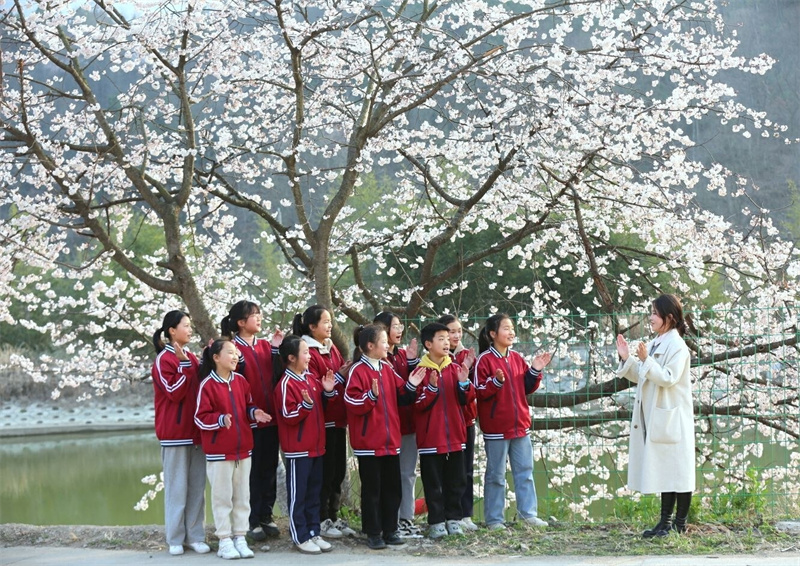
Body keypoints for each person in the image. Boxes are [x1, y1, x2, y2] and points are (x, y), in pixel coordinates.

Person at [615, 294, 695, 537]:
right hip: (659, 415)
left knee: (679, 470)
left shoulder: (677, 346)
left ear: (668, 318)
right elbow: (643, 373)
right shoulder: (658, 341)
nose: (650, 318)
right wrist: (626, 358)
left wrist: (646, 361)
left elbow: (668, 377)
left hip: (672, 416)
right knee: (665, 469)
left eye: (654, 314)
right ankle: (664, 523)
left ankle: (679, 525)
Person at [344, 324, 425, 550]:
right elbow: (352, 402)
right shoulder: (358, 371)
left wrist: (412, 385)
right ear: (370, 346)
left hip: (391, 443)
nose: (388, 344)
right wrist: (370, 396)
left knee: (392, 488)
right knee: (372, 490)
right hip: (369, 443)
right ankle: (373, 532)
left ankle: (390, 529)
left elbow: (401, 393)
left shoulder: (387, 368)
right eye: (383, 341)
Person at [473, 313, 552, 530]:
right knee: (496, 475)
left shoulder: (516, 358)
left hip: (520, 427)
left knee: (525, 472)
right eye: (506, 328)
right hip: (497, 428)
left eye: (512, 328)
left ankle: (528, 515)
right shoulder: (484, 360)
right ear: (492, 334)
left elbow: (526, 386)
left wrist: (535, 369)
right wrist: (495, 382)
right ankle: (494, 519)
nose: (511, 332)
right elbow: (479, 391)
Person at [195, 338, 270, 560]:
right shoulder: (207, 385)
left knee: (242, 496)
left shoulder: (241, 381)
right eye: (230, 352)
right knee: (222, 497)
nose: (236, 356)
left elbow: (248, 406)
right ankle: (225, 540)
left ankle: (240, 536)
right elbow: (200, 418)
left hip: (243, 449)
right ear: (216, 357)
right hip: (219, 452)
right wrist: (219, 419)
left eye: (236, 352)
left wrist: (254, 413)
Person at [220, 300, 283, 541]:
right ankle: (250, 519)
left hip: (271, 416)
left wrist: (277, 349)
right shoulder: (232, 348)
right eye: (254, 315)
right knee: (252, 471)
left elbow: (277, 374)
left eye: (259, 313)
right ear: (240, 322)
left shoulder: (266, 346)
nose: (259, 318)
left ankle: (266, 515)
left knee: (268, 469)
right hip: (249, 419)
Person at [293, 305, 356, 538]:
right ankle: (322, 518)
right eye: (325, 322)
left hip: (338, 419)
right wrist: (340, 375)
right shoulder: (308, 351)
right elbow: (314, 386)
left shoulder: (330, 348)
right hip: (324, 421)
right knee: (327, 472)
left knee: (338, 471)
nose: (330, 326)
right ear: (312, 327)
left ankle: (334, 515)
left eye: (331, 321)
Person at [151, 311, 211, 556]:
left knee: (197, 487)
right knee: (177, 488)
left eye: (190, 325)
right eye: (185, 325)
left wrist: (207, 356)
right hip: (175, 434)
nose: (190, 329)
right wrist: (185, 365)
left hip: (197, 433)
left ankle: (195, 536)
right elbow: (174, 392)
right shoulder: (164, 359)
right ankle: (175, 538)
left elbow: (203, 384)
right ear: (171, 331)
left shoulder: (191, 358)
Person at [274, 335, 338, 554]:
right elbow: (288, 415)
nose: (309, 356)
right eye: (305, 353)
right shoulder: (285, 384)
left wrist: (328, 391)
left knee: (314, 493)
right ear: (291, 358)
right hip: (298, 450)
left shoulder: (310, 378)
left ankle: (313, 532)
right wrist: (305, 405)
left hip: (317, 447)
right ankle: (300, 535)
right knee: (298, 495)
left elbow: (321, 405)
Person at [413, 322, 475, 538]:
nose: (447, 342)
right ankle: (437, 521)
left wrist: (464, 384)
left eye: (448, 339)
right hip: (431, 439)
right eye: (441, 338)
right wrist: (430, 388)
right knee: (434, 483)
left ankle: (454, 519)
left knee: (456, 480)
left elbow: (467, 400)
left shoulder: (456, 369)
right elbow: (417, 404)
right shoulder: (420, 371)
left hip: (456, 437)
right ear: (428, 344)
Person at [372, 311, 421, 538]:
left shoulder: (402, 355)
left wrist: (411, 361)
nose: (400, 330)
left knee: (407, 473)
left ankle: (406, 518)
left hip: (407, 422)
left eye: (401, 325)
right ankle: (386, 521)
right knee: (386, 476)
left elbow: (410, 385)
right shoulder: (377, 359)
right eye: (395, 326)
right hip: (386, 426)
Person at [437, 314, 478, 532]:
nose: (455, 335)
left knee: (466, 469)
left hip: (466, 419)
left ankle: (465, 514)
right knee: (445, 470)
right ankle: (445, 513)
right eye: (451, 331)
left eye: (459, 331)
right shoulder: (435, 357)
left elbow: (473, 389)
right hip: (444, 421)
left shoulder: (466, 355)